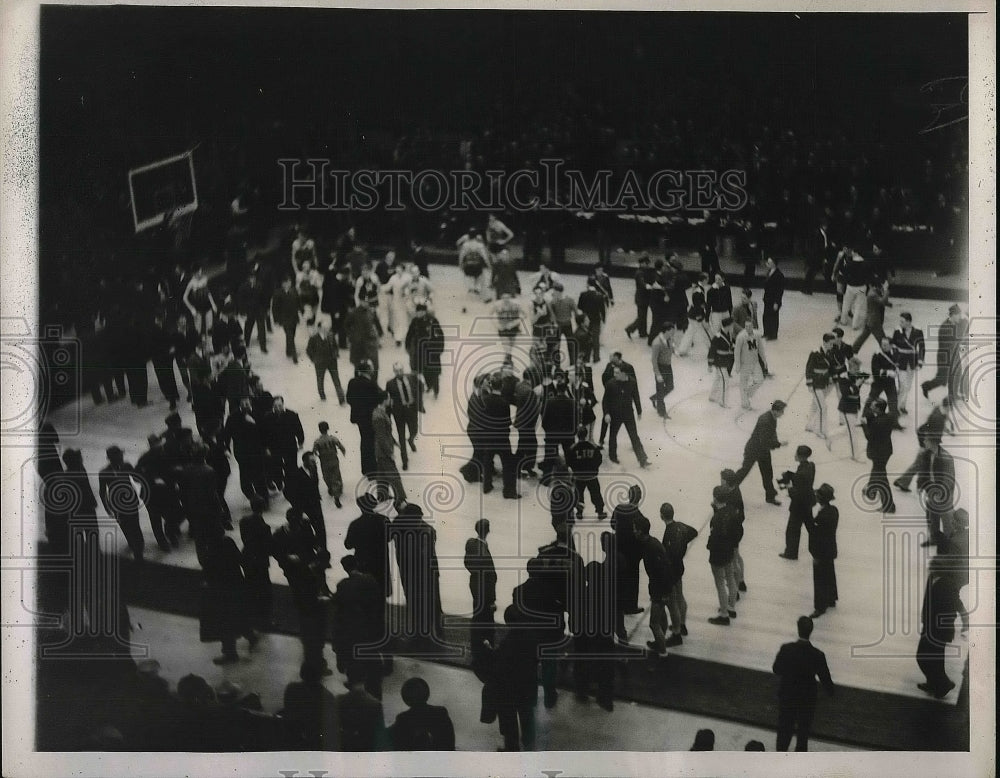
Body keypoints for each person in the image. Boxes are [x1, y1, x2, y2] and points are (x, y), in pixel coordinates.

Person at [772, 616, 835, 751]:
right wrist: (832, 693)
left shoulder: (786, 649)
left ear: (798, 628)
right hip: (807, 699)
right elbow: (825, 679)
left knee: (784, 732)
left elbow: (776, 669)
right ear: (811, 631)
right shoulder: (817, 655)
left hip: (787, 695)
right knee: (803, 735)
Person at [198, 533, 257, 665]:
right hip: (235, 586)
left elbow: (208, 568)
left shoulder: (211, 548)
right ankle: (250, 635)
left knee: (224, 623)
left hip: (220, 590)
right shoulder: (227, 541)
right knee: (237, 615)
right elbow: (240, 559)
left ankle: (230, 653)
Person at [389, 503, 442, 643]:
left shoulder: (426, 532)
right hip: (410, 572)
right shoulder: (401, 525)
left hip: (423, 573)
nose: (419, 522)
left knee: (426, 601)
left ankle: (426, 632)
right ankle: (427, 631)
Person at [916, 556, 962, 698]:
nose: (931, 568)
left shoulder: (948, 584)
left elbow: (953, 606)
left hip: (939, 630)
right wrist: (924, 617)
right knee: (929, 658)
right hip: (929, 626)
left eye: (934, 566)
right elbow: (927, 599)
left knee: (925, 657)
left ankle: (943, 684)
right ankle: (935, 683)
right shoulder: (932, 578)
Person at [135, 433, 182, 550]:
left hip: (167, 491)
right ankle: (162, 542)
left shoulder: (166, 454)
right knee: (155, 519)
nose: (159, 447)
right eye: (156, 445)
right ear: (151, 446)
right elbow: (136, 476)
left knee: (172, 515)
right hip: (151, 493)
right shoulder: (145, 458)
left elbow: (173, 469)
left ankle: (171, 535)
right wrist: (151, 479)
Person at [734, 400, 788, 504]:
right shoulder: (765, 420)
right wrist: (779, 444)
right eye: (782, 411)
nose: (783, 413)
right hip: (753, 450)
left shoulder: (773, 417)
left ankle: (770, 496)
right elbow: (764, 441)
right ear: (776, 411)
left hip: (762, 450)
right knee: (744, 471)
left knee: (767, 473)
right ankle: (729, 489)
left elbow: (772, 433)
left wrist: (776, 442)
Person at [98, 446, 145, 561]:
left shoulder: (121, 467)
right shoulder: (119, 468)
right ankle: (137, 548)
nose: (122, 456)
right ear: (115, 458)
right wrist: (107, 508)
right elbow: (102, 492)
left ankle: (137, 548)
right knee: (129, 526)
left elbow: (137, 478)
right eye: (120, 455)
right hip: (122, 503)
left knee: (132, 526)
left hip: (121, 503)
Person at [660, 503, 697, 645]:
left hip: (671, 570)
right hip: (679, 567)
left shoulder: (669, 531)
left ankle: (676, 629)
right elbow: (693, 532)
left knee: (673, 601)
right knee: (680, 596)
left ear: (661, 515)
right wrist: (683, 543)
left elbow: (669, 554)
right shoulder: (680, 526)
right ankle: (682, 624)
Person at [636, 515, 674, 656]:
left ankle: (662, 652)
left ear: (640, 531)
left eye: (635, 528)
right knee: (662, 618)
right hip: (658, 588)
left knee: (653, 623)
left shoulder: (652, 547)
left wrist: (664, 594)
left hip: (660, 589)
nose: (633, 531)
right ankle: (660, 643)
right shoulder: (650, 543)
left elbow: (663, 571)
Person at [610, 485, 649, 615]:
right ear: (640, 498)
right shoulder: (639, 516)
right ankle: (630, 606)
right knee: (632, 580)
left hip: (618, 548)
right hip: (632, 553)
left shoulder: (619, 508)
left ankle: (617, 604)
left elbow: (612, 524)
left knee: (619, 577)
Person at [345, 493, 392, 599]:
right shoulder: (383, 519)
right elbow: (390, 537)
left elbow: (348, 545)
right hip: (381, 560)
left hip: (363, 562)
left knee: (367, 594)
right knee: (381, 592)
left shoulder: (355, 524)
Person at [706, 485, 742, 626]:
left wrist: (709, 546)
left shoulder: (716, 518)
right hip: (729, 550)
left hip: (718, 554)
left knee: (720, 583)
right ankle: (731, 606)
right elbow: (737, 531)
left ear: (715, 498)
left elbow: (715, 536)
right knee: (731, 578)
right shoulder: (732, 512)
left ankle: (724, 614)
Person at [388, 677, 456, 751]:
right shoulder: (440, 713)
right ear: (427, 694)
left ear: (406, 699)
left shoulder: (403, 719)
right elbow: (450, 745)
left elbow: (398, 747)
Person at [603, 364, 649, 468]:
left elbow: (636, 396)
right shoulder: (610, 384)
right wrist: (606, 413)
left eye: (617, 373)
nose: (614, 375)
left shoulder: (632, 382)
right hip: (615, 415)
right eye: (614, 372)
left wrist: (639, 411)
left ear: (624, 374)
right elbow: (605, 401)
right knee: (613, 436)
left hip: (628, 414)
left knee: (634, 436)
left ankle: (643, 459)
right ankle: (613, 457)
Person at [238, 496, 273, 632]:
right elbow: (268, 547)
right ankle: (265, 620)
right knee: (264, 590)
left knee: (250, 587)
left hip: (247, 557)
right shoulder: (264, 527)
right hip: (260, 561)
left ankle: (251, 616)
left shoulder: (243, 521)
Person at [921, 304, 969, 401]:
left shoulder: (957, 322)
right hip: (945, 356)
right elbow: (953, 345)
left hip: (953, 354)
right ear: (953, 315)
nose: (960, 317)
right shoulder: (945, 328)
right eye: (958, 315)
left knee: (957, 374)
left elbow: (965, 322)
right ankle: (926, 386)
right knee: (943, 379)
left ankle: (953, 395)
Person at [804, 483, 838, 617]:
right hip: (830, 549)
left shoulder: (823, 516)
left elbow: (814, 531)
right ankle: (831, 598)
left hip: (821, 551)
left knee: (819, 578)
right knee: (829, 574)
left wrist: (808, 518)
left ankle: (820, 606)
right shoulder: (833, 510)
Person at [336, 664, 387, 751]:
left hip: (346, 746)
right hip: (367, 747)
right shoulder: (375, 704)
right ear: (365, 678)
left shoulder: (339, 700)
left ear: (348, 678)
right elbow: (379, 734)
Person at [284, 451, 328, 552]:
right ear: (305, 462)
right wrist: (299, 509)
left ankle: (323, 553)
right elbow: (287, 493)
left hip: (316, 505)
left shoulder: (314, 470)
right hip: (304, 508)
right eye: (312, 461)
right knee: (306, 533)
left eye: (314, 461)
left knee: (321, 530)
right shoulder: (295, 474)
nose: (314, 463)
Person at [915, 436, 955, 548]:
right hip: (931, 489)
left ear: (933, 442)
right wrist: (920, 485)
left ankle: (950, 542)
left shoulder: (946, 457)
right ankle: (934, 538)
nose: (924, 441)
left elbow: (949, 478)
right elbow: (922, 470)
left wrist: (941, 493)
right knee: (931, 515)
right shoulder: (926, 454)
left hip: (944, 491)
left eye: (926, 440)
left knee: (946, 517)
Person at [779, 445, 816, 561]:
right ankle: (819, 548)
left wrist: (788, 487)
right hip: (808, 501)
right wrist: (791, 476)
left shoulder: (801, 474)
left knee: (793, 529)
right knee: (811, 527)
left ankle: (791, 553)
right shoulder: (811, 466)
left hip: (798, 505)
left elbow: (796, 492)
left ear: (800, 456)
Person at [859, 398, 896, 514]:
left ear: (879, 409)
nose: (871, 407)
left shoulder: (877, 422)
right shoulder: (887, 417)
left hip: (878, 452)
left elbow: (869, 436)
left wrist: (865, 425)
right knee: (876, 471)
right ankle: (872, 491)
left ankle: (889, 506)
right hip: (885, 450)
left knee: (881, 478)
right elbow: (875, 422)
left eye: (874, 406)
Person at [464, 518, 498, 646]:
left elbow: (467, 562)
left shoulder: (471, 544)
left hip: (475, 583)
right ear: (488, 531)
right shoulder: (483, 551)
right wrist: (492, 600)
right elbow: (490, 578)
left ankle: (477, 641)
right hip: (484, 589)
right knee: (486, 618)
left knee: (478, 613)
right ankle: (484, 642)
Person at [346, 360, 382, 480]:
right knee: (370, 443)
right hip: (369, 418)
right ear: (369, 370)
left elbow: (349, 399)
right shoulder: (371, 384)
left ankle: (365, 469)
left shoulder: (352, 382)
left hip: (358, 418)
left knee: (364, 441)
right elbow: (377, 399)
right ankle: (371, 470)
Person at [385, 362, 423, 471]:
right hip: (399, 413)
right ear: (394, 372)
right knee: (401, 436)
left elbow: (420, 386)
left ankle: (411, 440)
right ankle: (404, 460)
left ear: (403, 370)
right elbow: (388, 400)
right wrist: (388, 415)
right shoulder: (390, 384)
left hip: (411, 410)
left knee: (414, 430)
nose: (399, 373)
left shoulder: (411, 377)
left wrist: (418, 400)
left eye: (400, 370)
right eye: (396, 371)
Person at [372, 391, 407, 505]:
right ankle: (401, 498)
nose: (390, 399)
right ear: (384, 400)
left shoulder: (380, 412)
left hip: (381, 450)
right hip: (383, 451)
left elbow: (386, 433)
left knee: (382, 474)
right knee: (394, 475)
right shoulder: (379, 416)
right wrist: (389, 452)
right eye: (388, 397)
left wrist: (394, 442)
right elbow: (381, 436)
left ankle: (382, 495)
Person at [404, 303, 445, 399]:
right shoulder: (415, 322)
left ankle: (436, 390)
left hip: (431, 353)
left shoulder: (432, 321)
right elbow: (409, 335)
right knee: (422, 371)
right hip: (419, 352)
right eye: (417, 312)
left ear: (424, 312)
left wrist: (439, 349)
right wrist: (408, 346)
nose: (417, 314)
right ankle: (429, 385)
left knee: (433, 372)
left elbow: (440, 336)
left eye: (419, 312)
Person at [567, 426, 606, 520]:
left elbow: (569, 461)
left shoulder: (573, 448)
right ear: (586, 434)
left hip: (579, 477)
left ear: (577, 435)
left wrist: (575, 470)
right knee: (596, 494)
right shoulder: (593, 446)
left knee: (579, 495)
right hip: (592, 476)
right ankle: (600, 512)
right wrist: (594, 468)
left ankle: (579, 512)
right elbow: (599, 459)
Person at [891, 312, 925, 416]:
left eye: (902, 321)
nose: (900, 323)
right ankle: (895, 408)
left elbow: (922, 347)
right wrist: (895, 360)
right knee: (903, 385)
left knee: (908, 386)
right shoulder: (897, 331)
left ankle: (902, 406)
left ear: (909, 322)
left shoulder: (918, 332)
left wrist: (920, 362)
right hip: (901, 362)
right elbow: (893, 346)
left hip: (912, 362)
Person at [306, 320, 345, 404]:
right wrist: (314, 359)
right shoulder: (313, 338)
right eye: (324, 328)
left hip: (332, 362)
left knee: (336, 380)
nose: (326, 329)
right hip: (320, 363)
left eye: (327, 328)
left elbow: (335, 347)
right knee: (320, 380)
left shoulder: (331, 336)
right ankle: (322, 396)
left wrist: (335, 354)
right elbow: (309, 350)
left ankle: (341, 398)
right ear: (319, 328)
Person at [805, 334, 836, 439]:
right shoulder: (815, 353)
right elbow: (808, 369)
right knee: (823, 407)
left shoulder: (830, 352)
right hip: (816, 383)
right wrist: (809, 384)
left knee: (815, 404)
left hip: (825, 382)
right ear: (824, 342)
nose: (832, 346)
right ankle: (820, 430)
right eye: (830, 344)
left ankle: (809, 425)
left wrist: (832, 377)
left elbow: (831, 367)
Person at [851, 277, 892, 353]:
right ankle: (887, 352)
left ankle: (853, 350)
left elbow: (880, 302)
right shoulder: (873, 294)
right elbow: (882, 301)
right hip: (874, 320)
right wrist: (886, 290)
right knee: (882, 338)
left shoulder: (874, 291)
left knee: (863, 337)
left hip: (870, 319)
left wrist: (888, 303)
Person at [733, 320, 767, 411]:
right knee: (743, 383)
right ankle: (745, 403)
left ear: (753, 326)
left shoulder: (757, 334)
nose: (748, 328)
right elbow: (737, 352)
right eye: (746, 326)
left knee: (760, 380)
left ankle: (748, 393)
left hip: (755, 362)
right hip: (745, 364)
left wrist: (764, 360)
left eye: (750, 326)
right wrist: (737, 365)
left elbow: (761, 348)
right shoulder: (740, 336)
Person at [312, 421, 346, 506]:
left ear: (319, 430)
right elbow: (341, 447)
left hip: (324, 462)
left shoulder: (317, 441)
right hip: (334, 460)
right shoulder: (333, 438)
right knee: (336, 475)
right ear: (328, 428)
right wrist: (343, 452)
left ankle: (330, 488)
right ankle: (337, 493)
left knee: (326, 476)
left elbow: (314, 452)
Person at [869, 336, 902, 423]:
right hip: (879, 382)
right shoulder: (877, 354)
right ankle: (865, 418)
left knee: (893, 402)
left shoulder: (895, 351)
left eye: (885, 345)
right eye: (882, 344)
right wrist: (887, 372)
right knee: (871, 400)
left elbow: (897, 362)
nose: (883, 346)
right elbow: (875, 370)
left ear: (891, 345)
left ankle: (894, 422)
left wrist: (896, 369)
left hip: (890, 382)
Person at [346, 300, 381, 380]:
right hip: (358, 343)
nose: (366, 303)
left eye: (367, 301)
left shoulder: (371, 311)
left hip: (370, 342)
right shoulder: (354, 312)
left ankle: (373, 383)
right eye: (364, 301)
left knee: (375, 365)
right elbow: (346, 324)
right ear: (360, 301)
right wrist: (351, 336)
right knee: (358, 365)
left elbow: (376, 323)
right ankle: (358, 383)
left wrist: (379, 334)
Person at [270, 276, 301, 364]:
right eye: (287, 282)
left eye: (290, 282)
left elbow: (298, 303)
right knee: (290, 335)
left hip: (294, 318)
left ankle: (288, 351)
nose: (289, 284)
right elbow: (274, 308)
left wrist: (301, 312)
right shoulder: (278, 293)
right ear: (283, 283)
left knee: (291, 335)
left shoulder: (294, 291)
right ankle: (294, 355)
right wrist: (276, 320)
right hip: (284, 318)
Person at [708, 317, 736, 407]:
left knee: (718, 378)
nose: (733, 326)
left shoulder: (728, 334)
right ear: (728, 326)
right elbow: (712, 351)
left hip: (724, 360)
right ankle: (722, 401)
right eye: (732, 325)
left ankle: (713, 396)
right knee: (725, 380)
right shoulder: (718, 336)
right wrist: (709, 364)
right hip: (719, 361)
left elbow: (729, 345)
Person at [650, 322, 676, 419]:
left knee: (670, 387)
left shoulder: (669, 338)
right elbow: (653, 360)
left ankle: (655, 397)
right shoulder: (657, 343)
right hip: (660, 368)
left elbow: (671, 347)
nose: (674, 332)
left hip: (668, 367)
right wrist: (657, 374)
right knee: (660, 390)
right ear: (667, 331)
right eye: (672, 330)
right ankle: (662, 412)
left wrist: (674, 351)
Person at [625, 254, 653, 339]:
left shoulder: (643, 271)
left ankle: (643, 332)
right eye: (646, 263)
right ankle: (629, 329)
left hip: (643, 297)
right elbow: (642, 283)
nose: (648, 265)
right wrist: (647, 286)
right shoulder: (639, 273)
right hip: (641, 298)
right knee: (641, 317)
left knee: (643, 316)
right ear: (642, 263)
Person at [762, 257, 785, 339]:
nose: (767, 264)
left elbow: (780, 290)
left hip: (774, 300)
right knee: (766, 316)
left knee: (773, 318)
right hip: (767, 299)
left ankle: (773, 335)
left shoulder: (779, 275)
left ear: (774, 264)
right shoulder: (769, 272)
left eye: (769, 262)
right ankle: (766, 332)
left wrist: (776, 302)